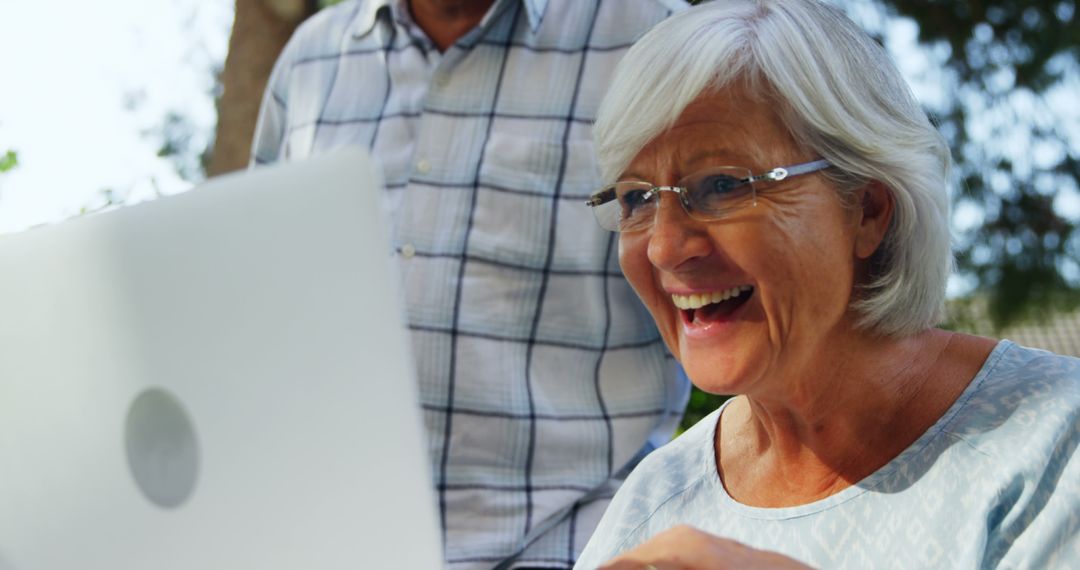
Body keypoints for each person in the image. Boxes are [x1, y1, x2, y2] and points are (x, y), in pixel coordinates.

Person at [574, 0, 1080, 568]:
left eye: (721, 185)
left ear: (867, 211)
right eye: (637, 197)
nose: (666, 246)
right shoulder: (658, 496)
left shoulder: (1057, 443)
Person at [250, 0, 690, 568]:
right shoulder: (310, 59)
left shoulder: (653, 38)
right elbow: (261, 302)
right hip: (327, 539)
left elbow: (728, 277)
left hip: (573, 542)